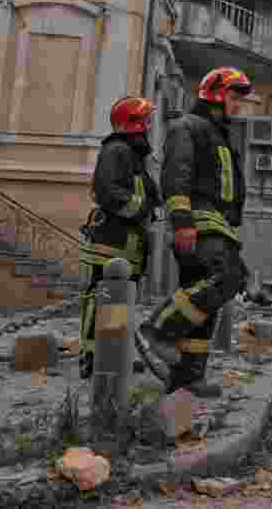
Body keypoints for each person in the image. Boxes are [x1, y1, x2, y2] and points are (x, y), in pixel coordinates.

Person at [138, 67, 252, 397]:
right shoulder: (188, 127)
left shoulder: (219, 136)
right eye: (234, 96)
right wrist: (183, 222)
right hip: (200, 223)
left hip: (219, 226)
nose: (238, 105)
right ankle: (158, 329)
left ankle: (187, 377)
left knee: (204, 306)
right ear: (215, 95)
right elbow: (176, 176)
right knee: (223, 280)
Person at [78, 96, 162, 379]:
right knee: (100, 298)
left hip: (128, 243)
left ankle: (114, 352)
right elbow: (108, 192)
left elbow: (141, 192)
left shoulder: (134, 154)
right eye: (146, 121)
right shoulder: (116, 150)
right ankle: (92, 356)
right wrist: (143, 209)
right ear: (134, 124)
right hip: (110, 242)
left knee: (122, 302)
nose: (150, 126)